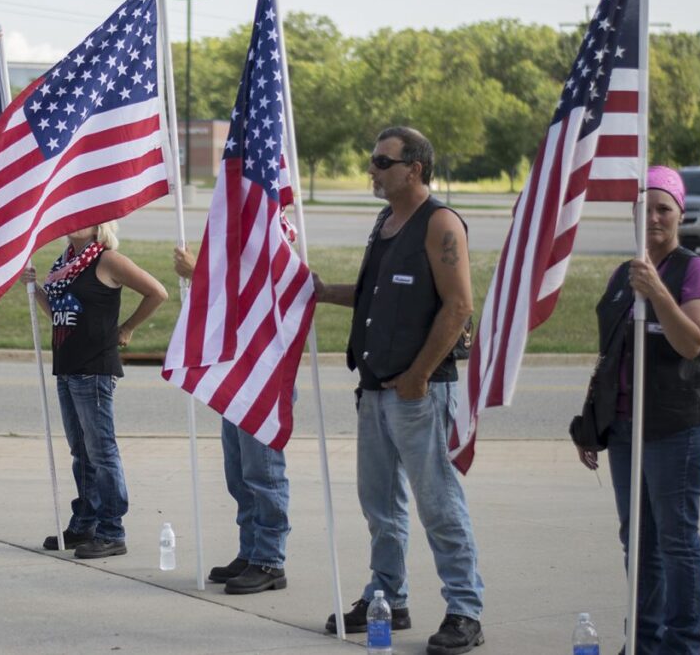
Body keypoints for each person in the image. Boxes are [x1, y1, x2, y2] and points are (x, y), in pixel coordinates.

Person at [314, 126, 484, 655]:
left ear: (415, 168)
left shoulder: (440, 223)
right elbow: (374, 295)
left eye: (382, 162)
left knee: (438, 503)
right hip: (375, 390)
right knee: (380, 505)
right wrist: (323, 293)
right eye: (372, 161)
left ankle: (465, 610)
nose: (372, 169)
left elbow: (458, 307)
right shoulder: (385, 222)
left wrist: (418, 376)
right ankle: (388, 596)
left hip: (420, 393)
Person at [574, 166, 700, 655]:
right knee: (638, 543)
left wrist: (657, 292)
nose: (654, 218)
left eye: (664, 208)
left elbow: (691, 343)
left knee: (676, 542)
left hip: (675, 429)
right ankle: (643, 639)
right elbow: (610, 353)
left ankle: (681, 645)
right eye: (646, 208)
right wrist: (592, 422)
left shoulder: (692, 271)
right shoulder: (623, 273)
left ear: (680, 213)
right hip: (624, 429)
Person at [22, 221, 167, 559]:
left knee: (102, 452)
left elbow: (157, 292)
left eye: (85, 217)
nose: (75, 223)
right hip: (67, 366)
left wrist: (128, 327)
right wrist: (36, 290)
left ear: (100, 226)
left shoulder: (107, 260)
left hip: (94, 370)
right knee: (80, 452)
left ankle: (112, 530)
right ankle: (85, 521)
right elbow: (61, 315)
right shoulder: (64, 264)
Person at [172, 245, 290, 595]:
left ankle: (270, 560)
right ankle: (251, 551)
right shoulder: (246, 245)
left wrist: (199, 275)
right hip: (239, 373)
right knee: (239, 475)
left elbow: (254, 301)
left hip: (265, 375)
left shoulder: (275, 241)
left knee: (264, 474)